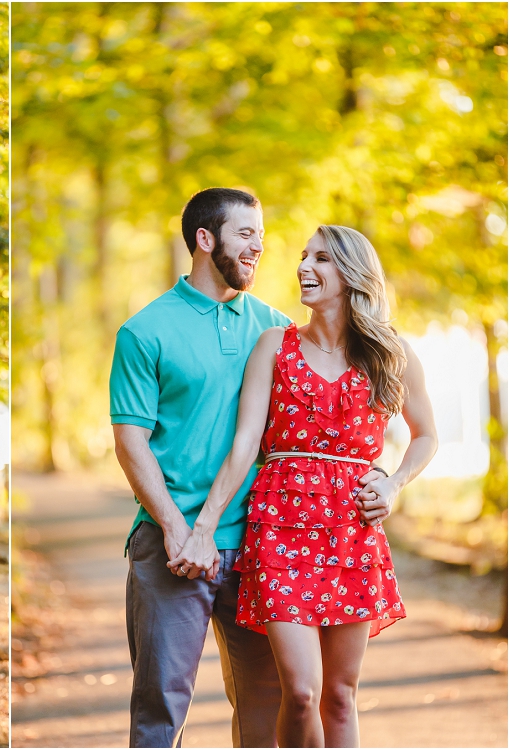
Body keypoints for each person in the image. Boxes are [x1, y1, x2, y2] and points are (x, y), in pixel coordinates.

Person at [110, 189, 392, 748]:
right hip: (174, 545)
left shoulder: (279, 329)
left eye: (261, 236)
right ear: (204, 240)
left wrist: (384, 476)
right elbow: (130, 442)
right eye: (246, 235)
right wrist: (177, 529)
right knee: (161, 708)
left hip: (269, 546)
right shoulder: (144, 331)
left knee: (273, 708)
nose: (259, 247)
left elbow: (333, 424)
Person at [172, 225, 437, 747]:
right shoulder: (275, 345)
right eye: (302, 256)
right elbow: (245, 444)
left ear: (353, 274)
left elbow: (426, 435)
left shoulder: (391, 353)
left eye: (321, 259)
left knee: (340, 693)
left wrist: (394, 482)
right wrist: (200, 527)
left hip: (350, 533)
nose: (303, 266)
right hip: (279, 528)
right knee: (300, 691)